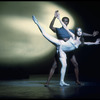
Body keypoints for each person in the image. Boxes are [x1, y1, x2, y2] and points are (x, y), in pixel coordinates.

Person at [32, 15, 100, 86]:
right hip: (60, 44)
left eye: (66, 21)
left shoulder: (76, 36)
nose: (65, 22)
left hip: (65, 51)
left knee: (65, 65)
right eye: (64, 21)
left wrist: (94, 40)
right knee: (45, 34)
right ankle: (37, 23)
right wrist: (57, 18)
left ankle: (62, 82)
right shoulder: (61, 30)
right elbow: (58, 27)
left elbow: (87, 42)